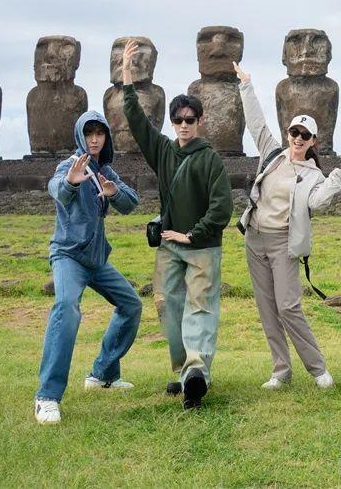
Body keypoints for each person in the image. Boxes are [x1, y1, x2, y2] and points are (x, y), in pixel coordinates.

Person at [234, 62, 341, 390]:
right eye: (294, 132)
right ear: (288, 133)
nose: (298, 139)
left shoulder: (313, 174)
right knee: (266, 308)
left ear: (313, 141)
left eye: (305, 135)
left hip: (283, 243)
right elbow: (256, 123)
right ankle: (281, 370)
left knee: (288, 306)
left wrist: (334, 178)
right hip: (255, 238)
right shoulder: (273, 155)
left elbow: (317, 202)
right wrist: (246, 85)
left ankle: (317, 369)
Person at [122, 41, 233, 410]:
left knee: (200, 307)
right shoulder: (165, 151)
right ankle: (185, 372)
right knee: (168, 305)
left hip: (201, 246)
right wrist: (127, 76)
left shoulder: (211, 160)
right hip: (169, 246)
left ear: (200, 121)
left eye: (190, 120)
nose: (184, 126)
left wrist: (192, 234)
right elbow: (138, 122)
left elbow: (222, 207)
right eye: (178, 120)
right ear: (173, 123)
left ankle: (197, 371)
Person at [34, 111, 142, 424]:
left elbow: (131, 202)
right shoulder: (70, 165)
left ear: (106, 137)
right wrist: (70, 183)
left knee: (131, 305)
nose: (95, 139)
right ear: (81, 135)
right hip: (68, 255)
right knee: (67, 308)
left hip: (96, 260)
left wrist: (114, 191)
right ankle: (47, 396)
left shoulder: (106, 170)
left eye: (100, 133)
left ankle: (103, 374)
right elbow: (56, 190)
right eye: (89, 133)